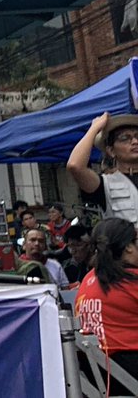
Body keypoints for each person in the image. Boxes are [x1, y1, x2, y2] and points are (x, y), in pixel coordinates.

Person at [75, 218, 138, 380]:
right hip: (128, 369)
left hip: (98, 372)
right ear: (128, 247)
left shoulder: (88, 279)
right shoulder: (130, 281)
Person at [67, 113, 138, 223]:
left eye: (137, 136)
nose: (135, 142)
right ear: (111, 151)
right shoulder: (106, 184)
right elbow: (75, 166)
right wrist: (94, 128)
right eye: (125, 138)